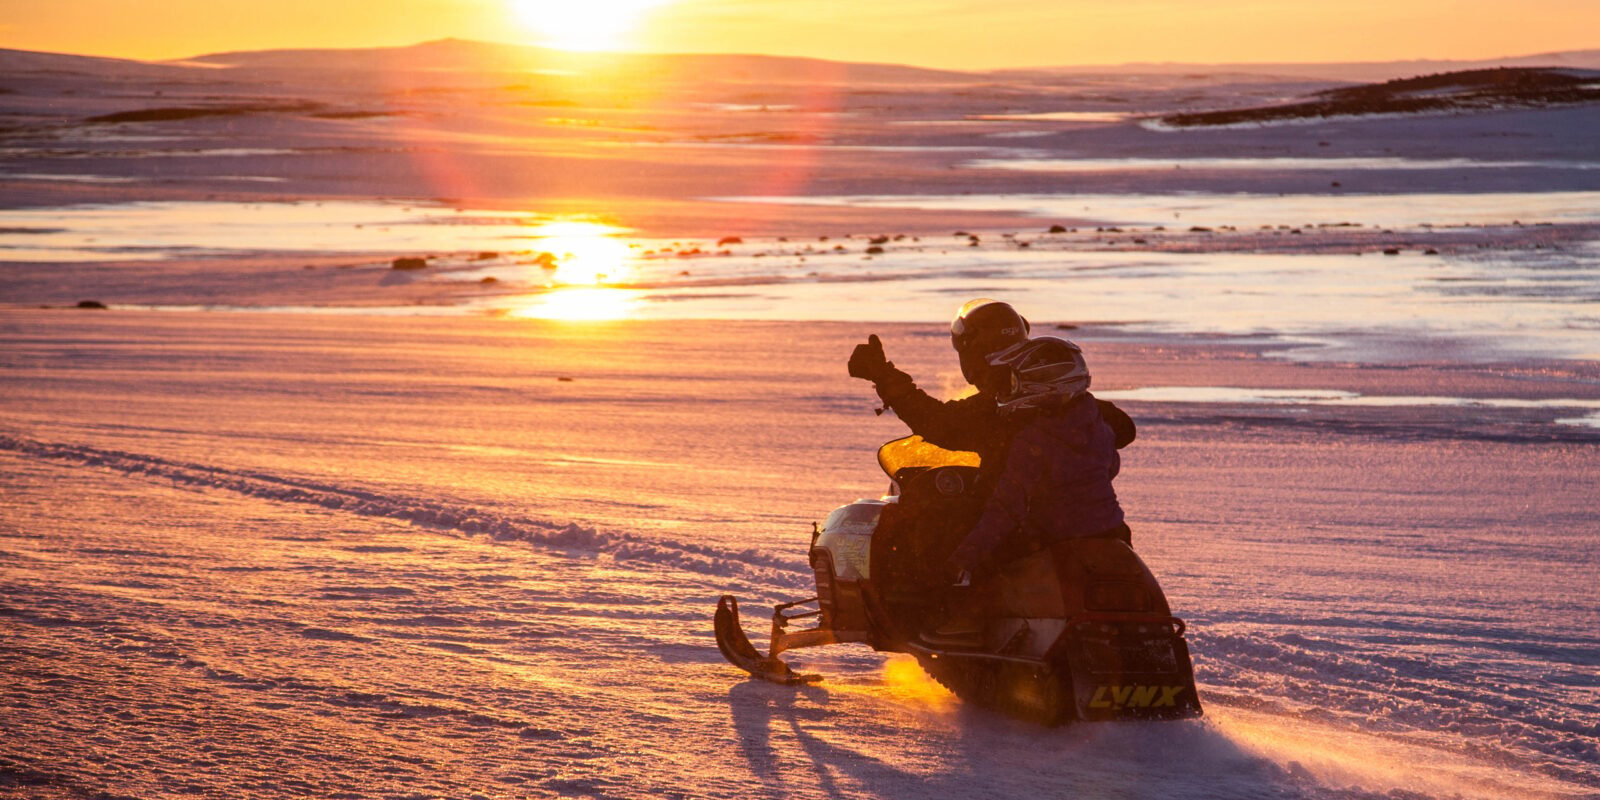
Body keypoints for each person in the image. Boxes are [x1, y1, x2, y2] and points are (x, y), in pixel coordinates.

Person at [847, 299, 1136, 596]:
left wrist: (884, 376)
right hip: (1107, 530)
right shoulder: (1074, 405)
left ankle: (933, 607)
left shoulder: (1010, 412)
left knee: (935, 540)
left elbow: (940, 425)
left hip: (1037, 531)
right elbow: (1122, 431)